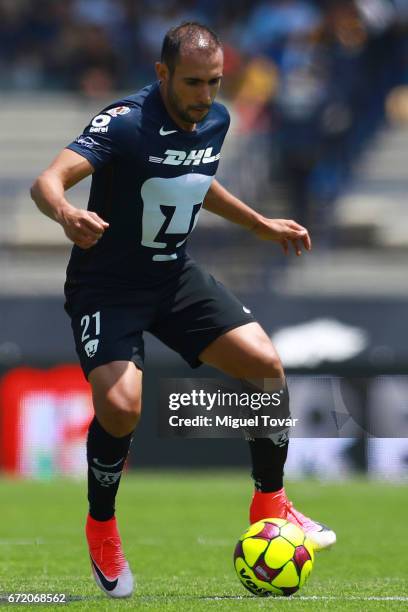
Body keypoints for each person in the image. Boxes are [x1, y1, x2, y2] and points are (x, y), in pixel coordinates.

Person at [31, 22, 336, 599]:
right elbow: (47, 180)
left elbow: (196, 179)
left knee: (264, 365)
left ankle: (271, 505)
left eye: (215, 83)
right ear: (162, 74)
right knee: (121, 409)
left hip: (172, 277)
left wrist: (260, 224)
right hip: (108, 287)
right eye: (193, 82)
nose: (205, 95)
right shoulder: (123, 123)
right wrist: (65, 214)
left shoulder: (215, 120)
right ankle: (102, 526)